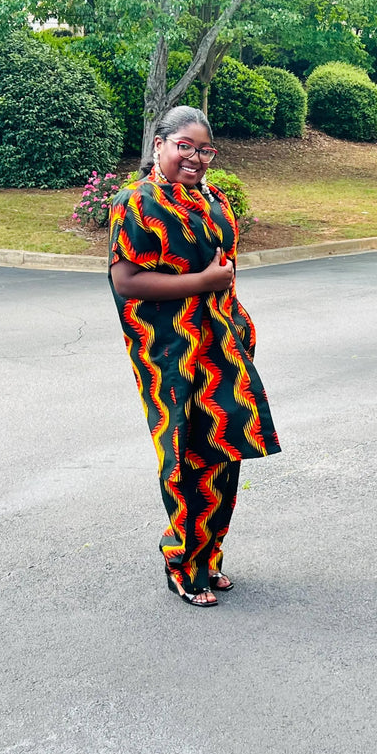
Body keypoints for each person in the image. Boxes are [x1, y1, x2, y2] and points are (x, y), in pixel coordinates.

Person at [108, 105, 280, 607]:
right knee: (183, 455)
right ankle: (181, 563)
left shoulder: (214, 199)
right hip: (171, 354)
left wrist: (236, 318)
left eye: (205, 150)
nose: (195, 157)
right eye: (184, 146)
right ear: (158, 144)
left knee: (223, 451)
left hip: (222, 347)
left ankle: (210, 558)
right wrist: (203, 282)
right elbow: (126, 281)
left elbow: (227, 268)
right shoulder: (136, 202)